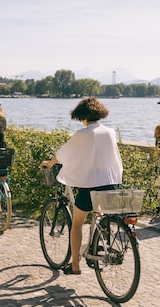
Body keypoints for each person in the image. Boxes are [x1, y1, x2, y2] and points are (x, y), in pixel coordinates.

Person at [40, 97, 123, 275]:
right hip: (111, 183)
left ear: (82, 116)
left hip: (90, 186)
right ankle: (98, 242)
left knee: (77, 224)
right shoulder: (109, 132)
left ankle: (75, 265)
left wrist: (50, 163)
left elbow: (63, 155)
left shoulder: (82, 134)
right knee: (100, 213)